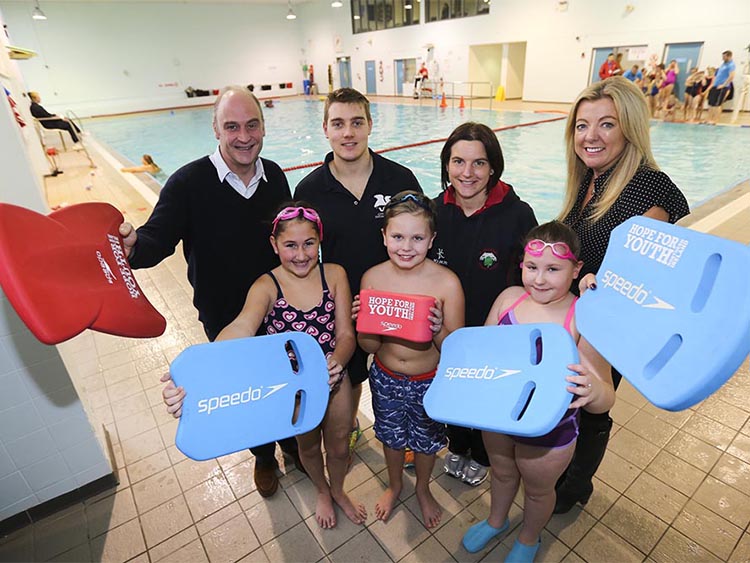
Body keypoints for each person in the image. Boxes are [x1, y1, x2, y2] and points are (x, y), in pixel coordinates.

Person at [119, 85, 301, 499]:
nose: (243, 136)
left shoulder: (274, 175)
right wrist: (132, 247)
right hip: (223, 314)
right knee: (246, 390)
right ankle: (264, 457)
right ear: (215, 129)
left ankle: (292, 443)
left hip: (279, 308)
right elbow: (156, 241)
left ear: (263, 127)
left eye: (252, 125)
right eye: (232, 126)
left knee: (282, 379)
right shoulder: (187, 183)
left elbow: (290, 239)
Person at [162, 205, 367, 529]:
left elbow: (345, 334)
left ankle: (339, 489)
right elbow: (241, 327)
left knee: (340, 445)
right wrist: (202, 370)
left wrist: (336, 361)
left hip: (334, 377)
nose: (301, 254)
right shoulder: (267, 286)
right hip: (293, 389)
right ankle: (323, 491)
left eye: (309, 243)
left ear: (320, 241)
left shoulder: (336, 274)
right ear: (274, 244)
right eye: (290, 245)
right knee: (308, 447)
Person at [554, 76, 689, 514]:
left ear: (629, 127)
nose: (590, 136)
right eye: (581, 126)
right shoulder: (588, 181)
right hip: (581, 315)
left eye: (606, 125)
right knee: (574, 397)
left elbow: (644, 277)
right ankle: (561, 471)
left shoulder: (651, 188)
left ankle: (575, 487)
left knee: (592, 405)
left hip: (610, 324)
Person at [462, 221, 614, 563]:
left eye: (553, 269)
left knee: (537, 490)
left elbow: (606, 397)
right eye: (532, 267)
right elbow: (484, 351)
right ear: (521, 265)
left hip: (551, 427)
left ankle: (529, 539)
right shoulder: (509, 300)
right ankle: (496, 520)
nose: (539, 279)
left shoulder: (582, 318)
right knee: (501, 473)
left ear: (576, 270)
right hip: (499, 416)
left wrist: (592, 390)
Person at [294, 88, 422, 463]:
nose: (348, 133)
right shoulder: (310, 189)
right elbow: (302, 254)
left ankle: (408, 433)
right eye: (338, 123)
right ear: (325, 129)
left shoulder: (399, 178)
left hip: (396, 297)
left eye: (356, 122)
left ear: (370, 125)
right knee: (349, 372)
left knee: (402, 365)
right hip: (341, 302)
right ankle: (350, 423)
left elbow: (421, 236)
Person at [429, 122, 537, 487]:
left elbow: (532, 276)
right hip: (448, 331)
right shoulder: (435, 212)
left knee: (488, 393)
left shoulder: (517, 213)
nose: (467, 173)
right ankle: (458, 443)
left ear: (493, 167)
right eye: (458, 162)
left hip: (495, 331)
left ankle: (483, 452)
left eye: (478, 163)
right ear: (446, 165)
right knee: (455, 387)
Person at [356, 190, 464, 528]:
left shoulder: (447, 283)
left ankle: (423, 488)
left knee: (426, 441)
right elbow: (369, 346)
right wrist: (364, 321)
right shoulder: (373, 278)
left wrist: (436, 330)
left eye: (417, 238)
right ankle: (396, 484)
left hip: (429, 379)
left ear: (431, 239)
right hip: (386, 376)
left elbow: (457, 351)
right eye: (398, 236)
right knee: (390, 437)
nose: (407, 246)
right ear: (384, 236)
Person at [706, 50, 736, 125]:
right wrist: (713, 84)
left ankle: (715, 120)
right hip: (715, 86)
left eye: (724, 56)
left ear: (729, 56)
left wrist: (724, 85)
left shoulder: (731, 65)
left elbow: (731, 76)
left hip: (722, 87)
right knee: (711, 103)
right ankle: (709, 119)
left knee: (717, 104)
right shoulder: (723, 64)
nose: (722, 58)